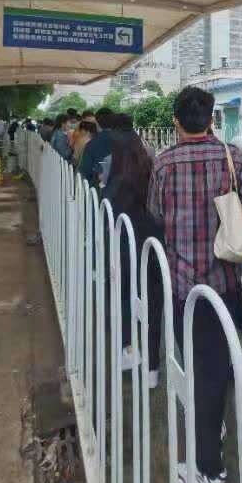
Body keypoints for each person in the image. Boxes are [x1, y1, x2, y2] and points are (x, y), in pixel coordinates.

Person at [147, 86, 242, 483]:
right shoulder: (232, 156)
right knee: (218, 362)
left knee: (198, 367)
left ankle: (209, 469)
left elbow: (155, 213)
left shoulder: (163, 163)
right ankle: (215, 426)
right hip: (224, 281)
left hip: (184, 286)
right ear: (211, 118)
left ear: (176, 121)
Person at [104, 129, 164, 388]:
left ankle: (129, 350)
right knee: (153, 309)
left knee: (124, 301)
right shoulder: (154, 174)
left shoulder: (116, 185)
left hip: (125, 253)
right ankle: (152, 369)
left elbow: (107, 217)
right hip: (154, 250)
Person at [78, 107, 114, 185]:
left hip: (98, 187)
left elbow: (85, 172)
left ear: (97, 123)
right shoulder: (125, 141)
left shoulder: (91, 144)